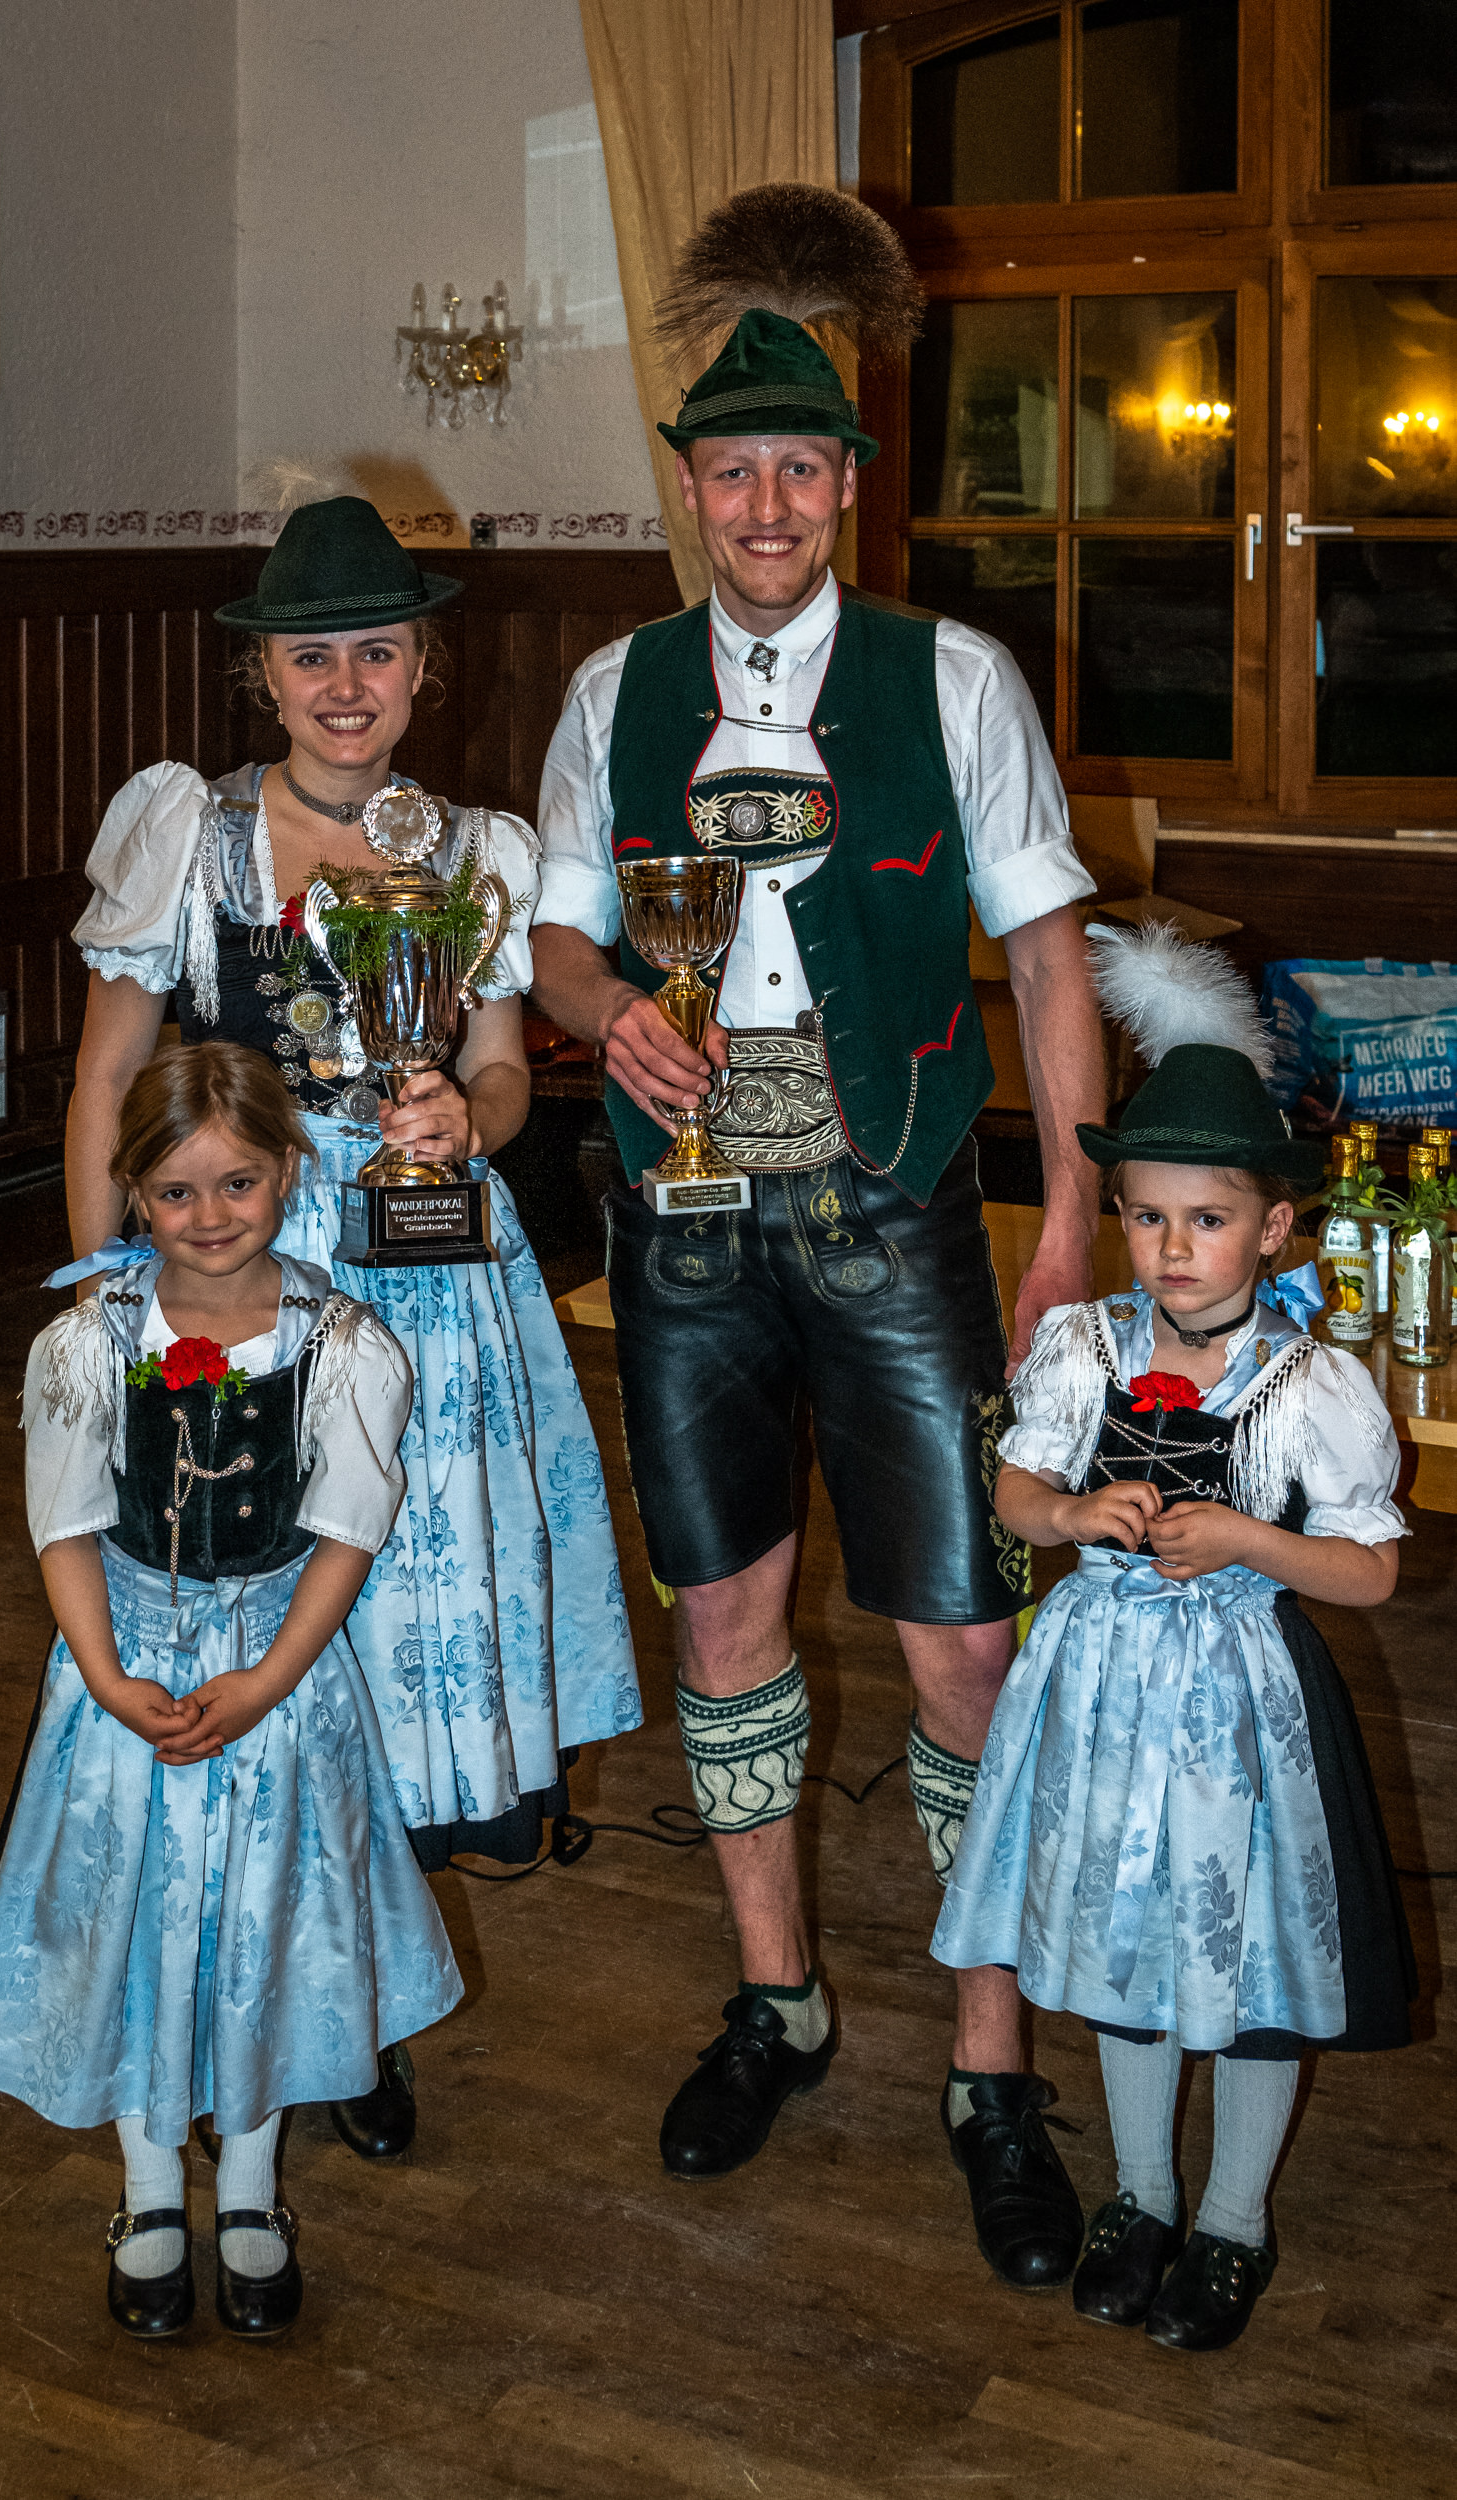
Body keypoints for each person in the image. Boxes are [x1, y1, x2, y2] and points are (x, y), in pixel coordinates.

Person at [530, 184, 1104, 2283]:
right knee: (724, 1622)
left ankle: (991, 2059)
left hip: (895, 1200)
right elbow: (558, 943)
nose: (764, 504)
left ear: (849, 484)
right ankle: (776, 2000)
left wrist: (1068, 1225)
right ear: (687, 487)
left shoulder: (955, 676)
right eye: (731, 470)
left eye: (799, 468)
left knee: (962, 1641)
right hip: (685, 1214)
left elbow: (1051, 959)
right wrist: (612, 1013)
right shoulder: (614, 686)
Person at [63, 496, 641, 2160]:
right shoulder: (189, 838)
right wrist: (99, 1310)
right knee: (251, 1621)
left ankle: (355, 2016)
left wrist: (469, 1115)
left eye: (374, 653)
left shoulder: (478, 852)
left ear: (421, 668)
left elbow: (505, 1070)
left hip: (433, 1287)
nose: (344, 685)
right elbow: (106, 1081)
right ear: (263, 676)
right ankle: (251, 2009)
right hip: (234, 1285)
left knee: (385, 1623)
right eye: (311, 657)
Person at [933, 923, 1417, 2351]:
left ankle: (1234, 2220)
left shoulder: (1313, 1386)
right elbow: (1017, 1489)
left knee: (1249, 1966)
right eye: (1146, 1219)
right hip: (1098, 1690)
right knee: (1126, 1948)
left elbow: (1371, 1572)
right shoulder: (1083, 1348)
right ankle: (1141, 2195)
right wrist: (1072, 1513)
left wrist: (1252, 1541)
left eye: (1206, 1220)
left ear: (1274, 1229)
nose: (1172, 1249)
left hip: (1239, 1712)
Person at [0, 1042, 462, 2338]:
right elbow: (65, 1524)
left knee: (264, 1924)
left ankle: (247, 2182)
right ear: (135, 1193)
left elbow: (346, 1535)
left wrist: (268, 1682)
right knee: (138, 1922)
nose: (210, 1215)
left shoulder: (344, 1347)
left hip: (276, 1684)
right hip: (125, 1681)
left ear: (289, 1173)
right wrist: (108, 1677)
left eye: (238, 1183)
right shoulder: (88, 1342)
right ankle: (146, 2189)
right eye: (176, 1192)